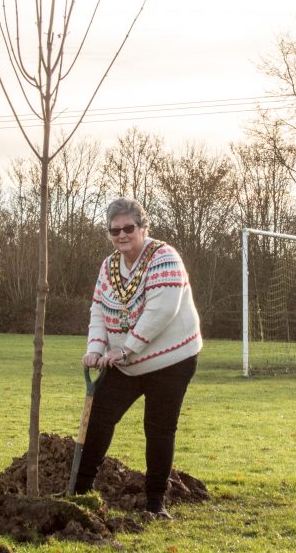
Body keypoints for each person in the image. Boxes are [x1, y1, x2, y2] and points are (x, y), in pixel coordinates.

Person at [73, 197, 203, 519]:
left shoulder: (164, 257)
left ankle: (155, 504)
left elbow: (161, 311)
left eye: (129, 228)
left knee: (158, 428)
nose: (121, 235)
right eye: (114, 230)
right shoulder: (109, 267)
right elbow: (99, 311)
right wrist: (95, 349)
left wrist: (125, 348)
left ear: (143, 228)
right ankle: (80, 493)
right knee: (99, 418)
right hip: (125, 363)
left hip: (171, 360)